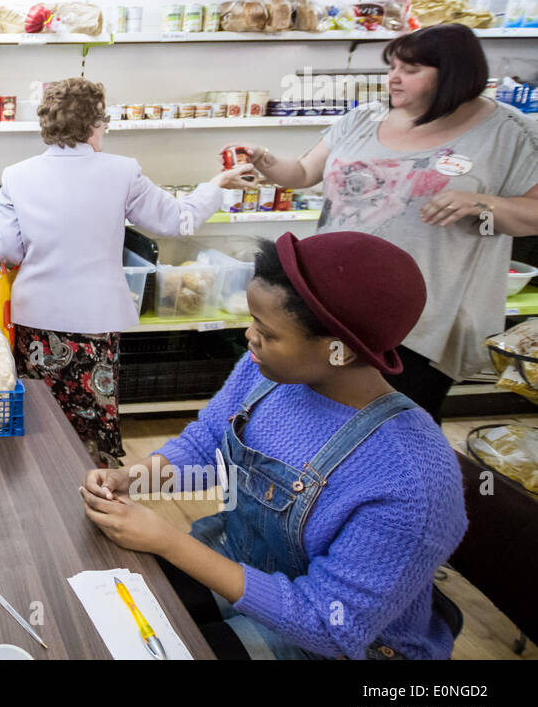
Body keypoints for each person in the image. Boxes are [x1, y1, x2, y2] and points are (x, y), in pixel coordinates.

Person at [78, 231, 467, 659]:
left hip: (340, 641)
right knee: (114, 613)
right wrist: (131, 478)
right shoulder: (269, 371)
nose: (249, 337)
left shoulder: (411, 480)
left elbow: (326, 624)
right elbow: (210, 442)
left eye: (267, 332)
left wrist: (167, 540)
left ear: (341, 351)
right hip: (246, 560)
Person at [226, 23, 538, 421]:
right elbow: (303, 171)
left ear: (454, 76)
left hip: (419, 316)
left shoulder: (507, 133)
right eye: (392, 66)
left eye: (410, 69)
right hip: (331, 300)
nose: (393, 77)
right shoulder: (364, 119)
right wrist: (264, 160)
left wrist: (484, 202)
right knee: (321, 416)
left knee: (394, 423)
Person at [0, 78, 257, 465]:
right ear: (94, 125)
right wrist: (216, 184)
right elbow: (178, 222)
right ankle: (98, 496)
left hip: (37, 320)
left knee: (42, 418)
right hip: (95, 322)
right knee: (93, 422)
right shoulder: (122, 172)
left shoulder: (16, 175)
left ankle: (44, 489)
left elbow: (10, 251)